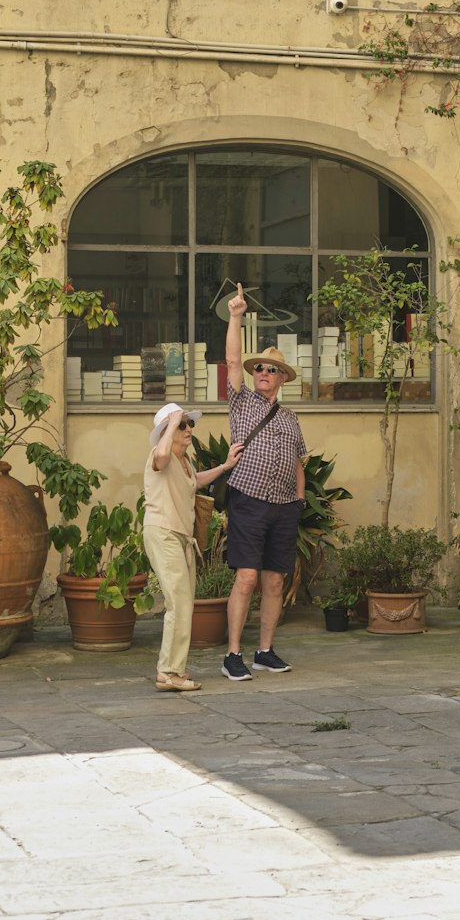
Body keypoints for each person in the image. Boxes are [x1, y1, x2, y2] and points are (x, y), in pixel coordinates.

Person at [221, 284, 307, 681]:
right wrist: (236, 316)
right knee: (247, 577)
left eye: (271, 370)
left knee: (274, 580)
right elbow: (232, 357)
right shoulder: (241, 401)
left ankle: (265, 651)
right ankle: (233, 654)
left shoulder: (290, 418)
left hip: (284, 505)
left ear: (282, 378)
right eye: (260, 368)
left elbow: (298, 460)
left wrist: (299, 500)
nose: (263, 373)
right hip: (249, 500)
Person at [143, 402, 242, 693]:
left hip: (182, 537)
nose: (189, 430)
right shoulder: (159, 455)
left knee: (185, 604)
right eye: (183, 425)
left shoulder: (184, 462)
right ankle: (168, 672)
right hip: (163, 533)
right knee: (178, 603)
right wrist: (171, 420)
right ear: (167, 431)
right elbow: (161, 454)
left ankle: (174, 669)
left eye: (189, 424)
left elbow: (194, 482)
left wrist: (225, 466)